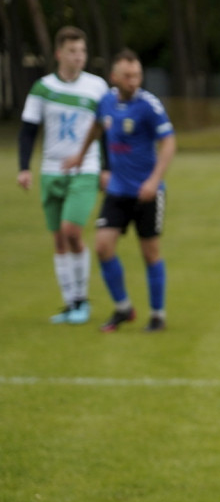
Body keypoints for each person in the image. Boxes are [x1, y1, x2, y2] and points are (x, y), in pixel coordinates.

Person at [64, 50, 177, 332]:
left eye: (137, 75)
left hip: (147, 193)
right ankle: (123, 308)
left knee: (150, 253)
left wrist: (153, 181)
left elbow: (169, 143)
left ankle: (158, 315)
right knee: (102, 247)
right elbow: (96, 127)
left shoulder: (149, 106)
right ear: (114, 77)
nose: (133, 81)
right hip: (117, 190)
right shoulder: (106, 102)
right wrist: (80, 155)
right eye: (127, 76)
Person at [17, 26, 109, 325]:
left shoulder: (97, 87)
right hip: (51, 170)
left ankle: (82, 300)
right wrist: (23, 168)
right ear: (59, 54)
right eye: (72, 51)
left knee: (72, 232)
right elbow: (28, 131)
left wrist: (107, 167)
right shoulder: (43, 88)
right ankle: (70, 305)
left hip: (85, 168)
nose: (78, 57)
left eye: (82, 51)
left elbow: (107, 131)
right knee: (58, 240)